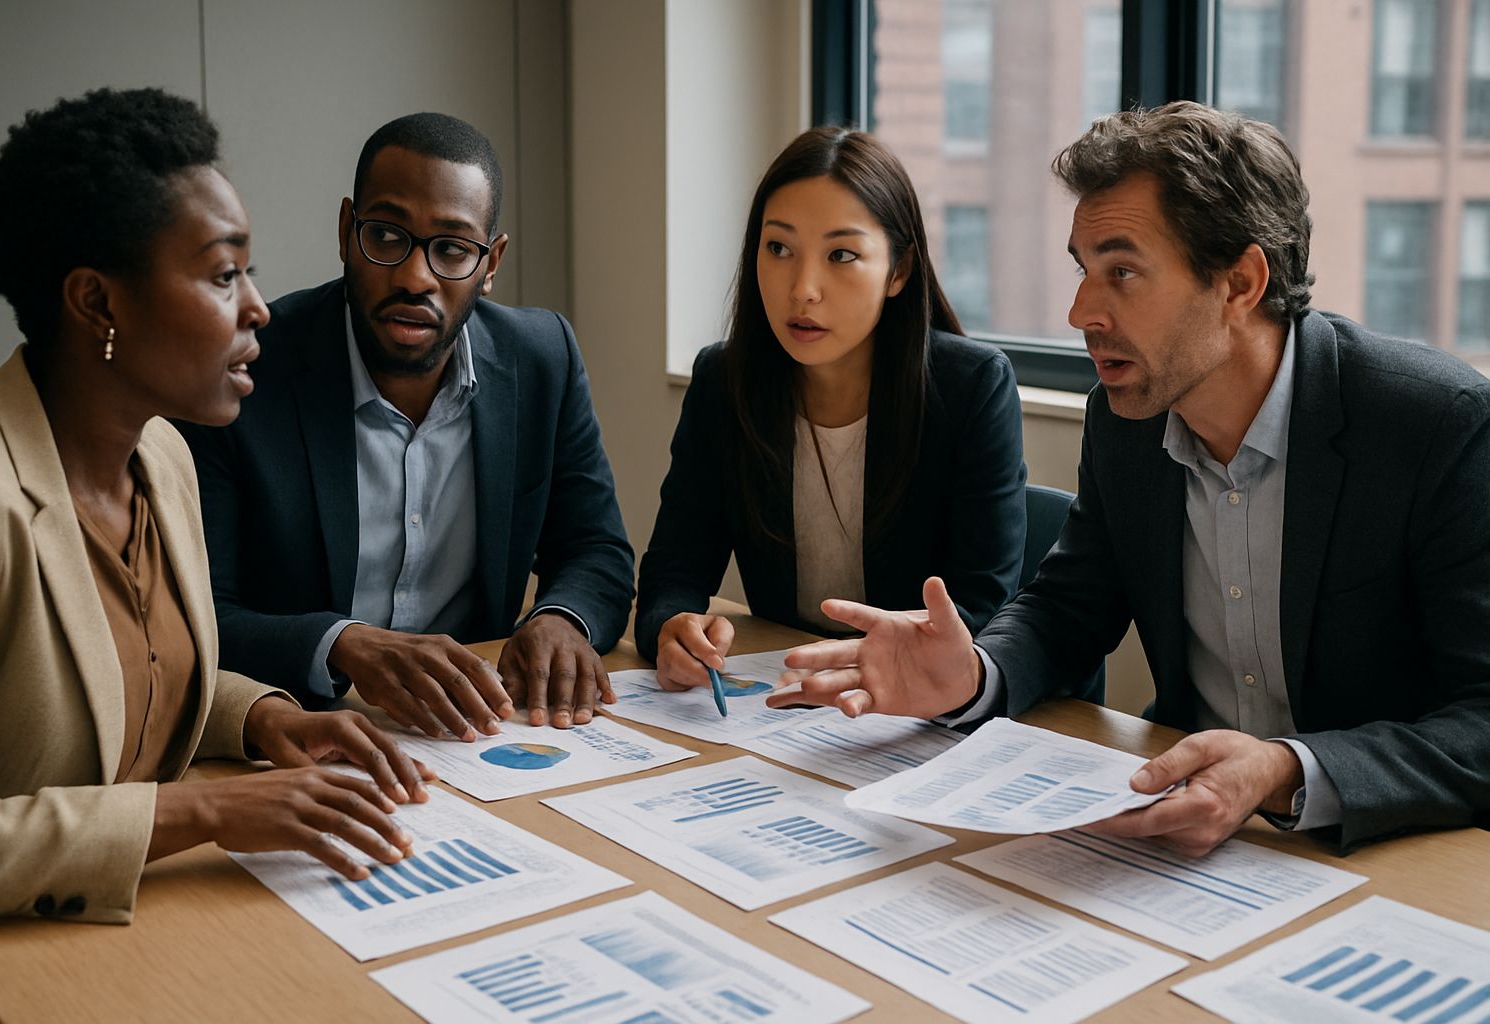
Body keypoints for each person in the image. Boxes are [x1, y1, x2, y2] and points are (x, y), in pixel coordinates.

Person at [773, 102, 1490, 856]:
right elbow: (1069, 608)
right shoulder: (1127, 421)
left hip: (1384, 848)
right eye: (1084, 270)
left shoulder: (1434, 423)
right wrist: (974, 676)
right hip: (1178, 832)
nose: (1081, 311)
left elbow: (1481, 718)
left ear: (1241, 281)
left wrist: (1286, 770)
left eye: (1122, 272)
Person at [0, 88, 433, 924]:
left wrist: (263, 718)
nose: (257, 307)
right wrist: (207, 809)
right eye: (223, 275)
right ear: (97, 302)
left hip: (148, 928)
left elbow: (125, 680)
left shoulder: (162, 454)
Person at [178, 113, 633, 739]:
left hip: (481, 732)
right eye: (388, 237)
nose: (415, 277)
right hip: (306, 727)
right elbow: (197, 615)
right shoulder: (246, 369)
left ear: (491, 262)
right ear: (346, 231)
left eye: (452, 249)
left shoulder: (541, 358)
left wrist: (560, 617)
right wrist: (343, 644)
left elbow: (596, 549)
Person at [635, 126, 1026, 691]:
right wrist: (673, 628)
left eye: (841, 254)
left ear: (898, 271)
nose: (803, 289)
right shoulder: (725, 381)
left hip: (918, 702)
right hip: (787, 697)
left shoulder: (971, 388)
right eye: (779, 248)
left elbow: (981, 604)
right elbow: (674, 568)